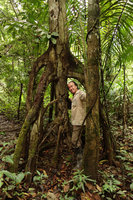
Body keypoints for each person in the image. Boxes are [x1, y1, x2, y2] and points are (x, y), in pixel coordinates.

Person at [67, 81, 86, 169]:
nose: (71, 88)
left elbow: (85, 97)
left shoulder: (81, 93)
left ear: (76, 86)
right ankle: (82, 160)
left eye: (72, 86)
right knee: (80, 140)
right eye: (69, 88)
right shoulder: (75, 96)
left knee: (74, 140)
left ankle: (80, 163)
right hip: (76, 122)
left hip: (79, 122)